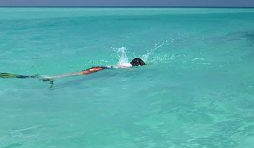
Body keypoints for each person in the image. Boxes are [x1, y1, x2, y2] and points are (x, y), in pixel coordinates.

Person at [1, 58, 146, 85]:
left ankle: (44, 78)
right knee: (70, 75)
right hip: (97, 70)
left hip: (97, 68)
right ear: (137, 64)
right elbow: (118, 68)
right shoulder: (129, 66)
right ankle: (48, 78)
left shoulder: (127, 63)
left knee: (71, 74)